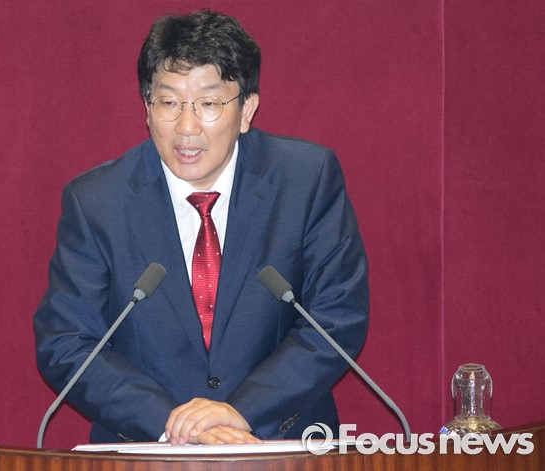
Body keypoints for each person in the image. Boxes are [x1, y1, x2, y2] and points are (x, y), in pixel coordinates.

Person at [34, 10, 368, 446]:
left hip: (278, 445)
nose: (186, 128)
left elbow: (336, 317)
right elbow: (67, 342)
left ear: (246, 110)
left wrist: (242, 409)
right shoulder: (97, 201)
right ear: (147, 109)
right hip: (145, 449)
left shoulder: (306, 180)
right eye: (168, 103)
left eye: (209, 104)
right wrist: (172, 422)